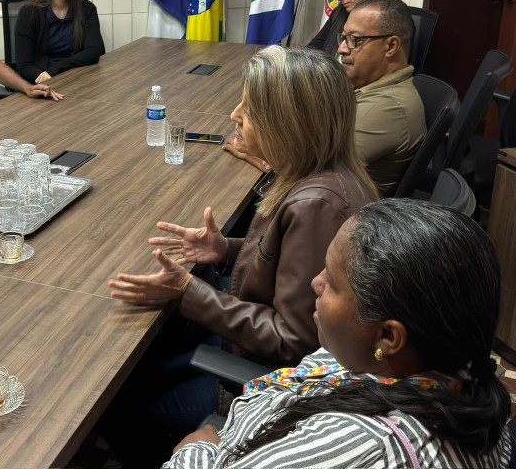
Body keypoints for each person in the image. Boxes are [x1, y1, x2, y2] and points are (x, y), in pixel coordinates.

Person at [104, 47, 377, 462]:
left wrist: (187, 289)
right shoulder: (320, 175)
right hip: (248, 349)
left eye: (250, 108)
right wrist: (223, 249)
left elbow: (293, 340)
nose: (235, 114)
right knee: (148, 360)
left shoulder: (316, 204)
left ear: (289, 123)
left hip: (262, 382)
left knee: (117, 403)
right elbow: (287, 266)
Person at [164, 199, 512, 468]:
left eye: (331, 282)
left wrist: (197, 449)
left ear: (388, 338)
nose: (315, 282)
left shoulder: (357, 447)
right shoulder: (451, 373)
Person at [224, 0, 381, 170]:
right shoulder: (340, 14)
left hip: (331, 102)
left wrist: (258, 156)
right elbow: (313, 47)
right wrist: (284, 70)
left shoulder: (378, 28)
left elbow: (318, 166)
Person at [339, 0, 426, 195]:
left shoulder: (388, 107)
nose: (342, 48)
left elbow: (312, 167)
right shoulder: (369, 86)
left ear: (391, 46)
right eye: (343, 38)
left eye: (355, 40)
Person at [15, 0, 105, 84]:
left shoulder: (87, 9)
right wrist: (46, 81)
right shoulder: (29, 13)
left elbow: (95, 51)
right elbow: (24, 65)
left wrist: (56, 70)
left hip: (79, 80)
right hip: (43, 84)